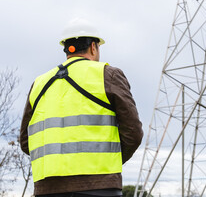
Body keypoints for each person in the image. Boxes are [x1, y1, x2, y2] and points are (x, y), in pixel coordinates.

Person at [20, 18, 143, 197]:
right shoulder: (108, 75)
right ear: (93, 47)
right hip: (99, 187)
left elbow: (26, 140)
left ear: (66, 49)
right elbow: (133, 132)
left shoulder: (39, 83)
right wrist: (107, 161)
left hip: (47, 189)